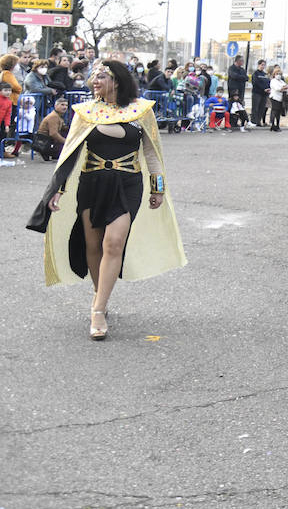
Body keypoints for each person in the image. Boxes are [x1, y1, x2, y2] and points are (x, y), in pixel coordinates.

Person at [28, 60, 185, 341]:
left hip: (127, 184)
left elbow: (152, 154)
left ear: (118, 80)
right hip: (92, 183)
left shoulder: (141, 111)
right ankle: (100, 295)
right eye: (93, 76)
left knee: (113, 242)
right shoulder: (86, 112)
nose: (94, 80)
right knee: (93, 244)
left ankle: (98, 310)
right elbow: (70, 154)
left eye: (102, 76)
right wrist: (58, 189)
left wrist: (157, 188)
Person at [267, 66, 287, 132]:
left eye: (280, 74)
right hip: (274, 97)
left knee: (278, 112)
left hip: (281, 98)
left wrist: (284, 88)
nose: (278, 75)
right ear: (274, 74)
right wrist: (282, 88)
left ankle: (277, 125)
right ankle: (272, 125)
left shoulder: (281, 81)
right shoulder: (273, 81)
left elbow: (287, 88)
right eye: (277, 74)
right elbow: (276, 88)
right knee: (274, 111)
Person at [250, 60, 270, 127]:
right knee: (255, 108)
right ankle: (253, 122)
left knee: (262, 108)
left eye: (264, 65)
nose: (263, 66)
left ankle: (258, 121)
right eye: (262, 64)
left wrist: (268, 89)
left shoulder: (265, 74)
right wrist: (263, 89)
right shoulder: (255, 73)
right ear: (258, 65)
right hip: (257, 93)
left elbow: (268, 82)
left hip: (264, 94)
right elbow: (255, 83)